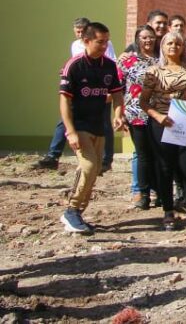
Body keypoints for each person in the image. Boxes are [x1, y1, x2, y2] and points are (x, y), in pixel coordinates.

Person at [58, 22, 124, 233]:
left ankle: (78, 213)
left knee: (95, 170)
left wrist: (118, 115)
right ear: (86, 41)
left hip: (99, 126)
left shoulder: (109, 66)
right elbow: (64, 100)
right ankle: (71, 210)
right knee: (88, 166)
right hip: (80, 126)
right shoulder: (74, 66)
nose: (105, 46)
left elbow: (117, 95)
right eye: (100, 42)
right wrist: (70, 131)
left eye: (107, 42)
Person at [139, 31, 186, 230]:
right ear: (163, 46)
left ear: (183, 47)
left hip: (185, 121)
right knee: (165, 167)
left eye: (177, 43)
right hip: (162, 123)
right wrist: (157, 116)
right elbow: (143, 101)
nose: (173, 47)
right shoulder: (153, 71)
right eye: (169, 43)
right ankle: (168, 210)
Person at [36, 17, 117, 171]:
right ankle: (53, 155)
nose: (79, 34)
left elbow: (112, 63)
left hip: (100, 91)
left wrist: (109, 92)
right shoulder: (75, 45)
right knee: (65, 119)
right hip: (80, 93)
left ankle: (106, 159)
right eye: (77, 32)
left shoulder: (104, 43)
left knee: (105, 124)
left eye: (81, 31)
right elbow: (75, 65)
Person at [118, 25, 160, 209]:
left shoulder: (162, 60)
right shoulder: (128, 61)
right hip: (136, 114)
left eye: (151, 37)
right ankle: (143, 194)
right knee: (143, 155)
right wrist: (119, 114)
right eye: (144, 37)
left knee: (159, 154)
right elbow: (118, 89)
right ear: (137, 40)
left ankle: (160, 192)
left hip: (160, 114)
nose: (148, 40)